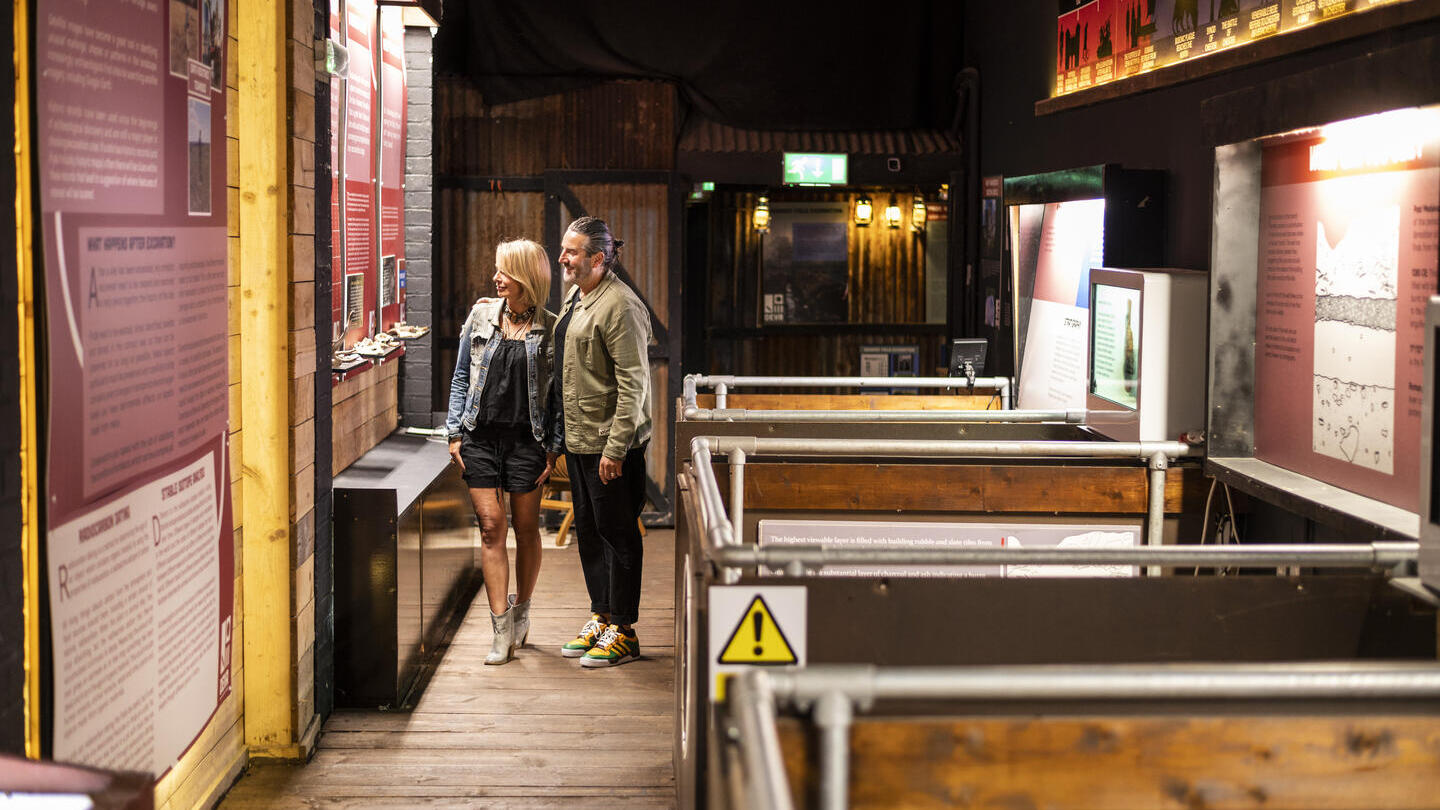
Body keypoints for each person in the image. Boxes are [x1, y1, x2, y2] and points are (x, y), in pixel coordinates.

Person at [445, 238, 558, 665]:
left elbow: (558, 395)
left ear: (527, 277)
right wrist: (454, 433)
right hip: (480, 437)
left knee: (526, 529)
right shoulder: (480, 315)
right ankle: (500, 629)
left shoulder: (551, 327)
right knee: (492, 527)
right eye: (496, 270)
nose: (496, 279)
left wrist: (553, 447)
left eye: (505, 272)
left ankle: (523, 610)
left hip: (528, 440)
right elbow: (460, 377)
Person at [551, 216, 652, 668]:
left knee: (618, 535)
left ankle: (625, 631)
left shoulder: (621, 307)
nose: (562, 258)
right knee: (590, 533)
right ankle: (603, 614)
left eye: (571, 252)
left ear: (598, 258)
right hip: (579, 438)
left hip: (610, 446)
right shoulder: (579, 294)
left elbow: (634, 386)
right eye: (563, 249)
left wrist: (615, 449)